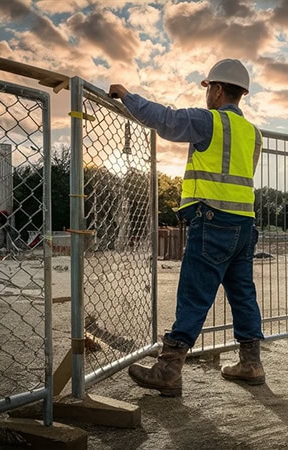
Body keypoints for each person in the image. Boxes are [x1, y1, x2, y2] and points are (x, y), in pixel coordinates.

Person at [109, 59, 264, 396]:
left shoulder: (210, 121)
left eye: (209, 88)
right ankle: (251, 362)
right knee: (242, 294)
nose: (207, 94)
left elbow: (166, 120)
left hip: (213, 220)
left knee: (194, 292)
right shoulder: (253, 133)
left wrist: (127, 96)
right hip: (245, 223)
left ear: (218, 89)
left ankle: (168, 368)